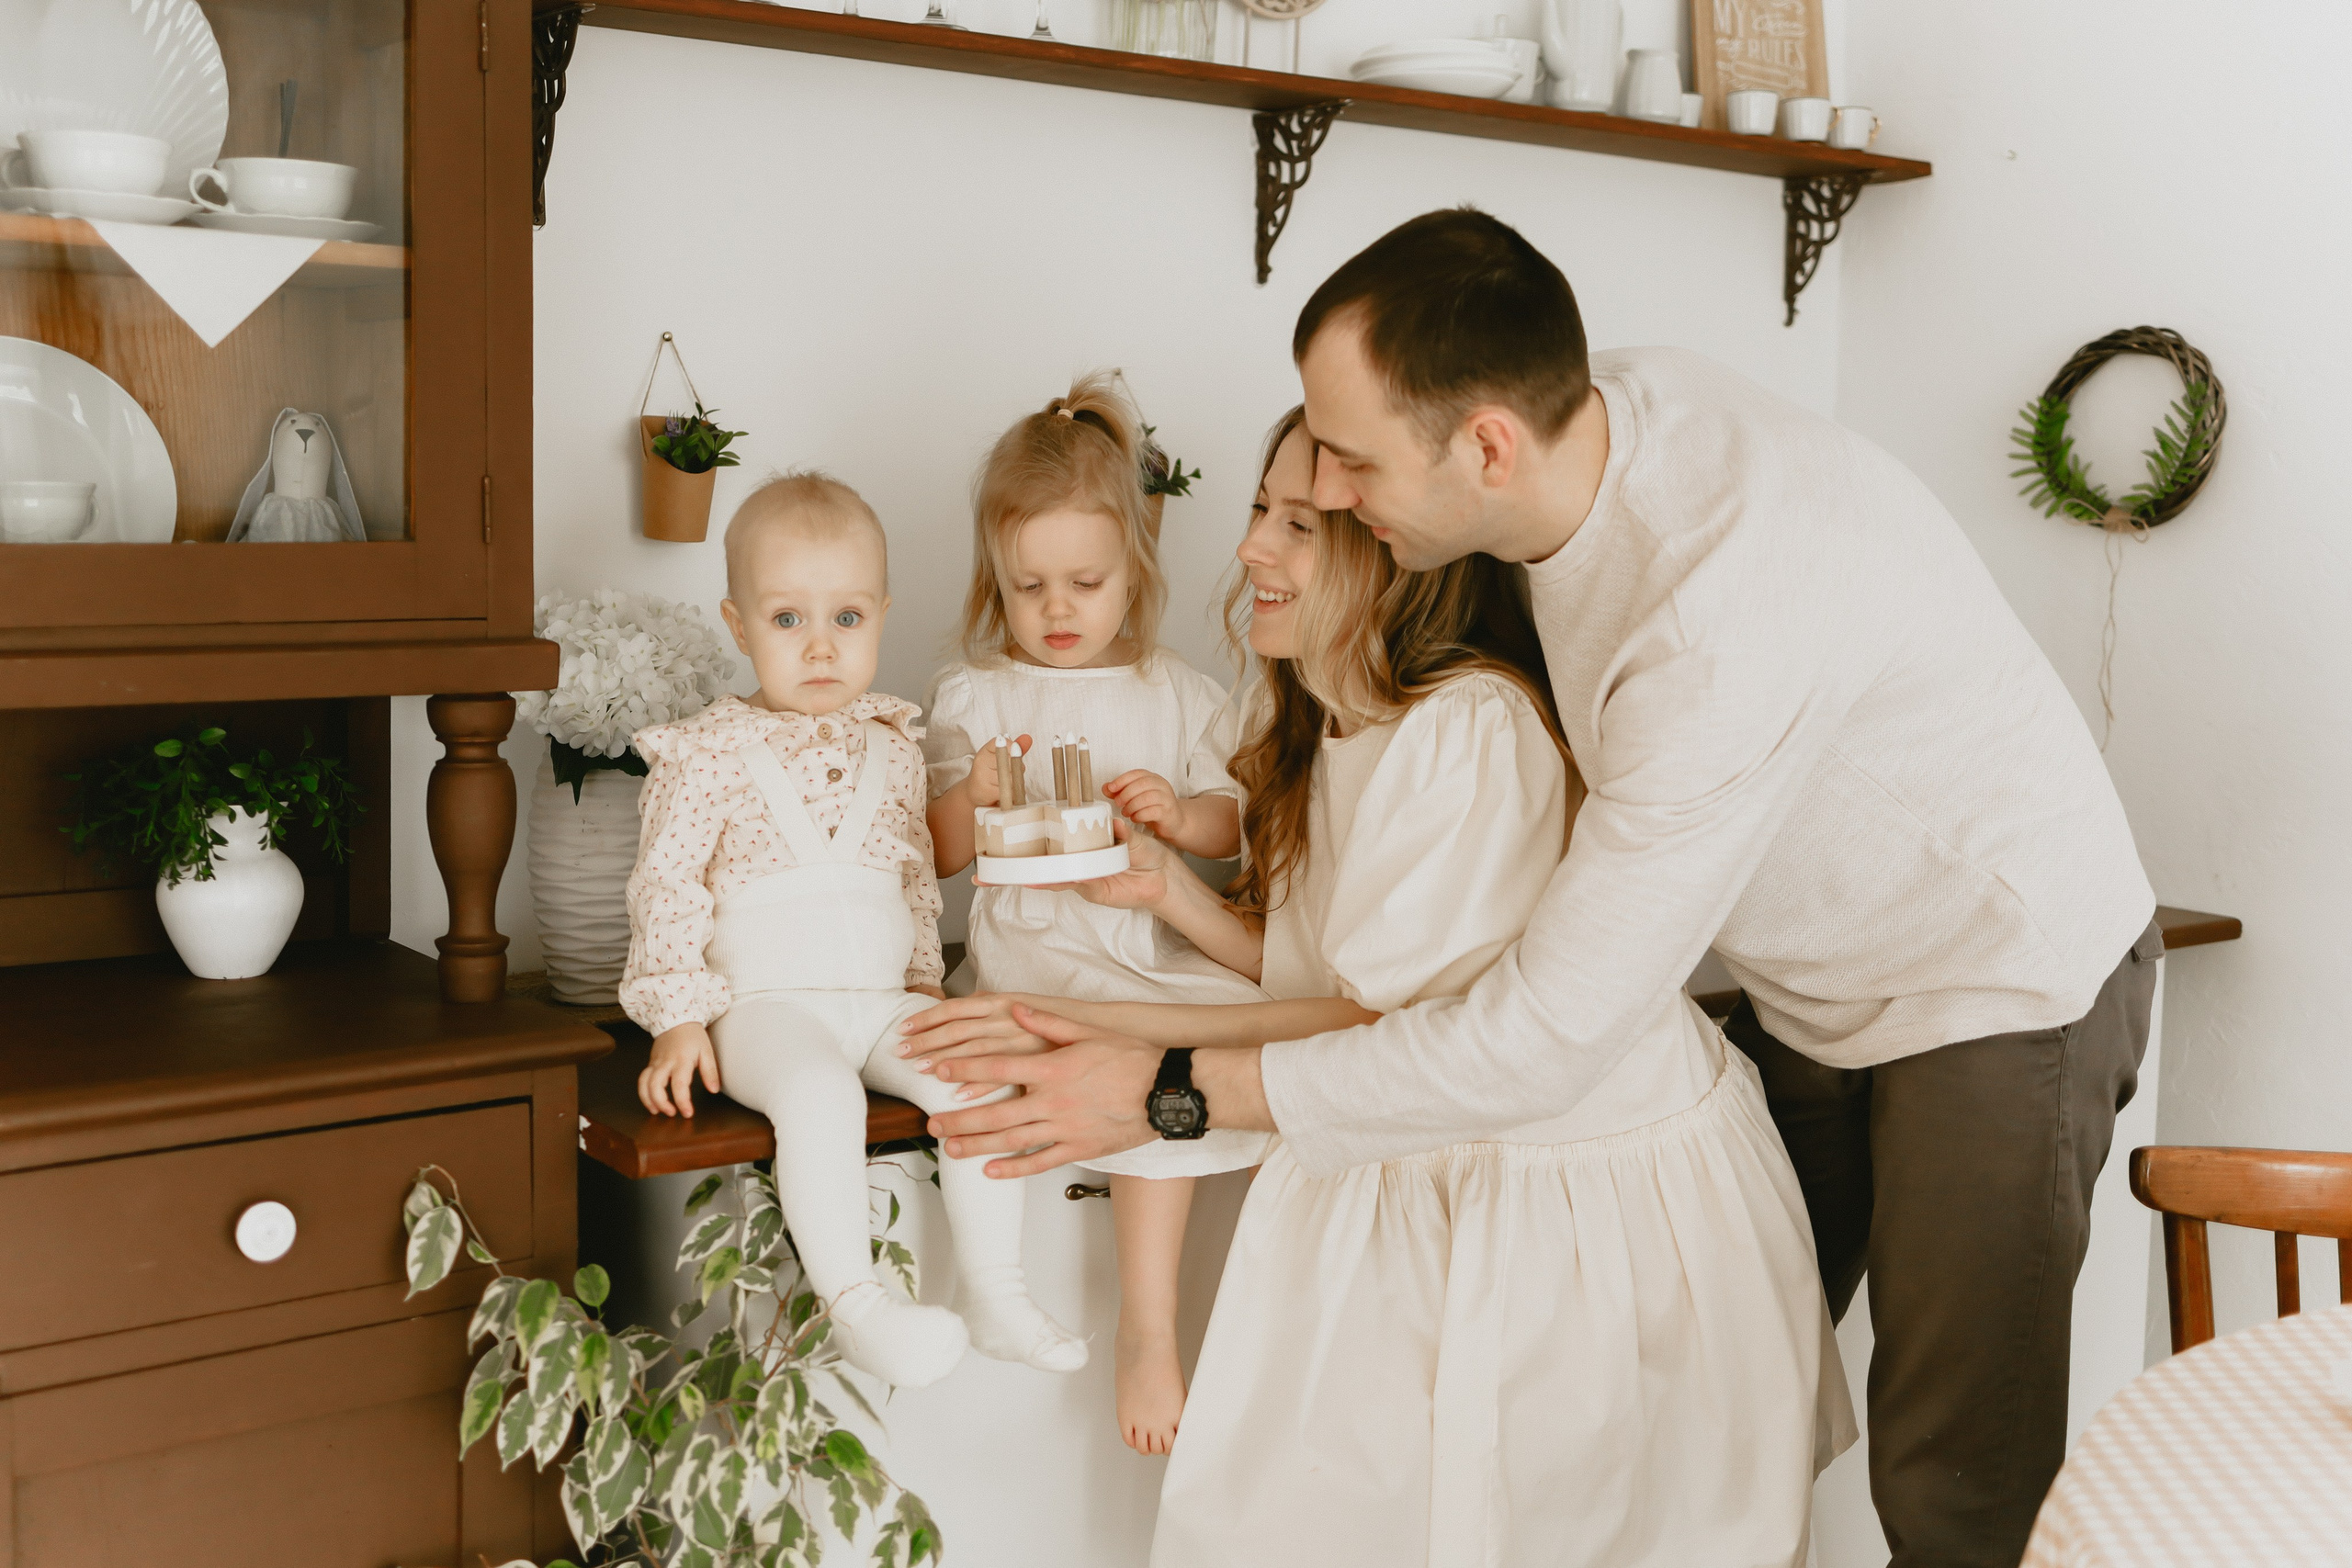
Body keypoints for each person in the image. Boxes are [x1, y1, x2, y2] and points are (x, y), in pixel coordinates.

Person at [920, 210, 2163, 1568]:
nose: (1325, 496)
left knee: (1951, 1479)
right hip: (1800, 981)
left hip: (1990, 967)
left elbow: (1538, 1034)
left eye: (1344, 462)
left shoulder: (1712, 621)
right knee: (1709, 1392)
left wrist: (1158, 1080)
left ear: (1485, 448)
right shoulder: (1585, 421)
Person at [902, 408, 1850, 1567]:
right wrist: (1167, 908)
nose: (1250, 547)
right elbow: (1311, 966)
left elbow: (1384, 1022)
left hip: (1570, 1198)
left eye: (1297, 524)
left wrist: (1102, 1036)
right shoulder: (1303, 716)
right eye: (1260, 511)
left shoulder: (1468, 731)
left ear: (1391, 547)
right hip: (1394, 1153)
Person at [621, 471, 1085, 1388]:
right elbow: (665, 885)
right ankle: (860, 1306)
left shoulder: (895, 745)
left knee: (980, 1081)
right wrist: (677, 1016)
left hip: (879, 999)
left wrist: (922, 982)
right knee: (821, 1098)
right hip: (764, 1007)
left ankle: (995, 1292)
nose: (820, 645)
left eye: (846, 618)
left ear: (879, 614)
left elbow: (912, 876)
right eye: (788, 619)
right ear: (738, 623)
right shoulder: (707, 751)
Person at [922, 372, 1272, 1454]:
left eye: (1084, 581)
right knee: (1028, 1055)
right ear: (995, 579)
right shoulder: (976, 697)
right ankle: (1003, 1287)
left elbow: (1234, 824)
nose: (1056, 610)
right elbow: (925, 861)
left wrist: (1177, 815)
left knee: (1169, 1057)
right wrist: (967, 796)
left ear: (1136, 571)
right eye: (1028, 587)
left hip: (1134, 956)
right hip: (1028, 972)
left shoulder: (1176, 694)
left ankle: (1149, 1323)